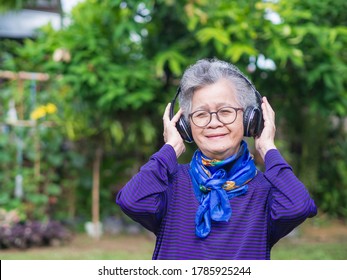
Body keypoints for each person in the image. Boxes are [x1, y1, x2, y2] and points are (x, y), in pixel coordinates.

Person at [116, 58, 317, 260]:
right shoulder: (168, 182)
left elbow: (298, 207)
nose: (213, 123)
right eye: (201, 114)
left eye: (225, 111)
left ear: (250, 119)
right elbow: (132, 201)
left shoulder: (266, 191)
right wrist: (171, 148)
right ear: (186, 126)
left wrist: (267, 148)